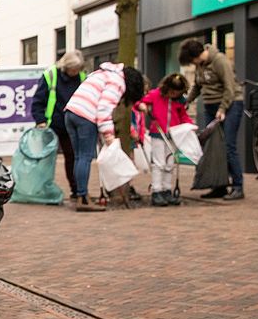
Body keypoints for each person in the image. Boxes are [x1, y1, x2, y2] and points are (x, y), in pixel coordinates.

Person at [63, 62, 145, 212]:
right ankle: (83, 198)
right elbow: (103, 109)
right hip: (85, 116)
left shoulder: (101, 73)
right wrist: (108, 135)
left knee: (79, 157)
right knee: (85, 157)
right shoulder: (118, 82)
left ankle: (81, 194)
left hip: (70, 112)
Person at [178, 38, 244, 200]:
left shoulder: (220, 61)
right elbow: (198, 86)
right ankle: (219, 186)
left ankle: (238, 186)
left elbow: (230, 87)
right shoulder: (200, 65)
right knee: (213, 146)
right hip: (210, 106)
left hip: (230, 105)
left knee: (228, 146)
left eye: (192, 60)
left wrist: (222, 109)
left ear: (197, 55)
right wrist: (187, 101)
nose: (193, 64)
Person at [30, 50, 86, 198]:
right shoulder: (51, 75)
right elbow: (38, 100)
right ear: (66, 66)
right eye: (72, 69)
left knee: (72, 157)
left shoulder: (82, 77)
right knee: (46, 159)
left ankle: (76, 190)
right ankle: (41, 189)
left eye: (77, 69)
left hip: (71, 124)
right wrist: (40, 120)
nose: (75, 72)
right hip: (50, 124)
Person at [136, 73, 194, 207]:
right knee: (159, 163)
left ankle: (167, 190)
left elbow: (183, 116)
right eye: (172, 92)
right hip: (158, 133)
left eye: (176, 93)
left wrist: (189, 125)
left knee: (169, 163)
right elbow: (139, 102)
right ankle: (157, 191)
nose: (173, 95)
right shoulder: (155, 94)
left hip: (173, 135)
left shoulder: (179, 101)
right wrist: (142, 106)